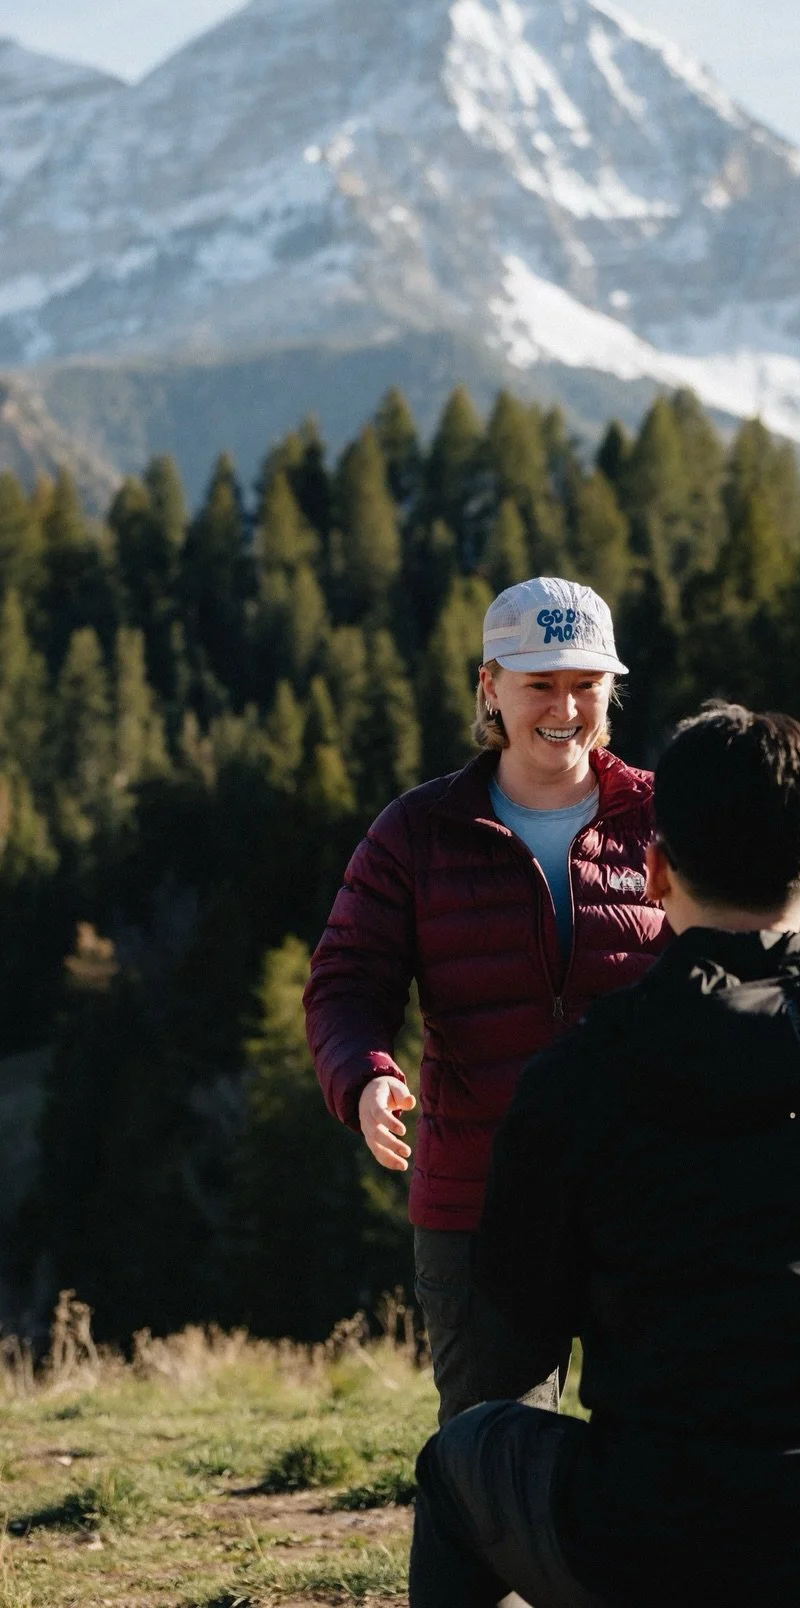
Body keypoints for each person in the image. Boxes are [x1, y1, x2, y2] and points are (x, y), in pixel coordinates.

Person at [409, 703, 800, 1608]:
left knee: (461, 1459)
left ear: (654, 871)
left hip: (659, 1560)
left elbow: (520, 1307)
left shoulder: (583, 1075)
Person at [304, 575, 668, 1424]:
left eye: (586, 684)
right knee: (490, 1461)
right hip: (479, 1204)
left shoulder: (664, 817)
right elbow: (347, 983)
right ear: (490, 687)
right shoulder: (416, 831)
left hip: (645, 1198)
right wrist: (362, 1080)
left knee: (661, 1459)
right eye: (540, 683)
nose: (566, 708)